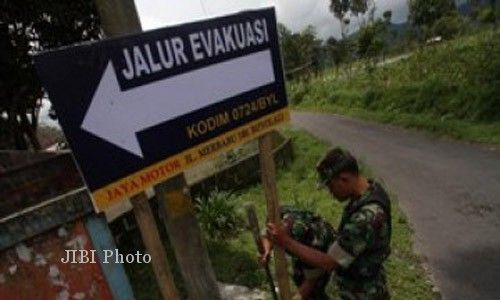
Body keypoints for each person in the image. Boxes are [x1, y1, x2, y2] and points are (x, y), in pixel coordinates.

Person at [266, 148, 392, 300]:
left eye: (331, 186)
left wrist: (285, 241)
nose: (330, 192)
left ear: (344, 178)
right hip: (359, 280)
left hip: (362, 292)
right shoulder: (371, 190)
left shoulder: (366, 218)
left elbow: (329, 262)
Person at [259, 206, 337, 300]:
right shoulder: (278, 214)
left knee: (314, 291)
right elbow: (267, 234)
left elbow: (311, 281)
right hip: (301, 243)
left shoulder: (314, 241)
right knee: (298, 276)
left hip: (323, 250)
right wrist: (266, 250)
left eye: (281, 238)